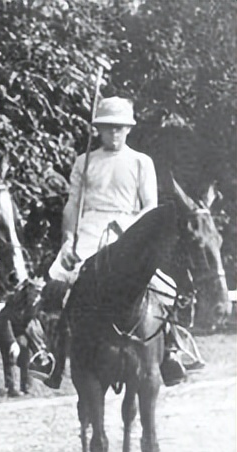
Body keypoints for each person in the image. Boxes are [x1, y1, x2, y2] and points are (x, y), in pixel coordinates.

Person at [45, 96, 187, 387]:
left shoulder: (141, 162)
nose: (115, 133)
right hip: (89, 230)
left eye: (121, 128)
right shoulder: (84, 162)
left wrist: (132, 229)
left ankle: (171, 350)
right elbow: (72, 205)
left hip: (130, 228)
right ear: (98, 129)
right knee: (58, 282)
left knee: (164, 285)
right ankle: (52, 357)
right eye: (109, 128)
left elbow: (150, 206)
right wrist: (68, 238)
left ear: (129, 129)